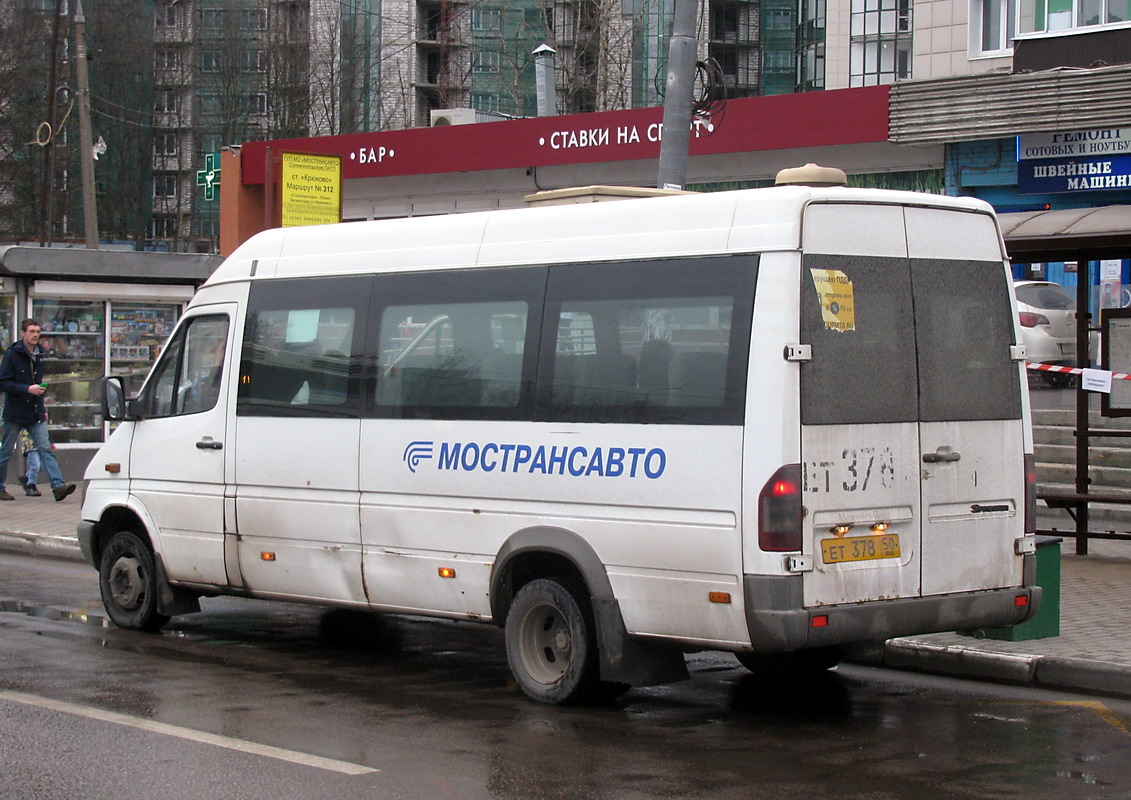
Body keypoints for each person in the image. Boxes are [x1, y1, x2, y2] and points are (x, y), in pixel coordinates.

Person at [0, 319, 76, 501]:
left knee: (45, 448)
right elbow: (3, 382)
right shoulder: (12, 354)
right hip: (16, 412)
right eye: (31, 331)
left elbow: (39, 383)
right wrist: (27, 389)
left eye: (37, 331)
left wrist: (42, 407)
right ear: (22, 333)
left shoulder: (40, 354)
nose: (35, 335)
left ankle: (58, 486)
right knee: (7, 450)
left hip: (35, 412)